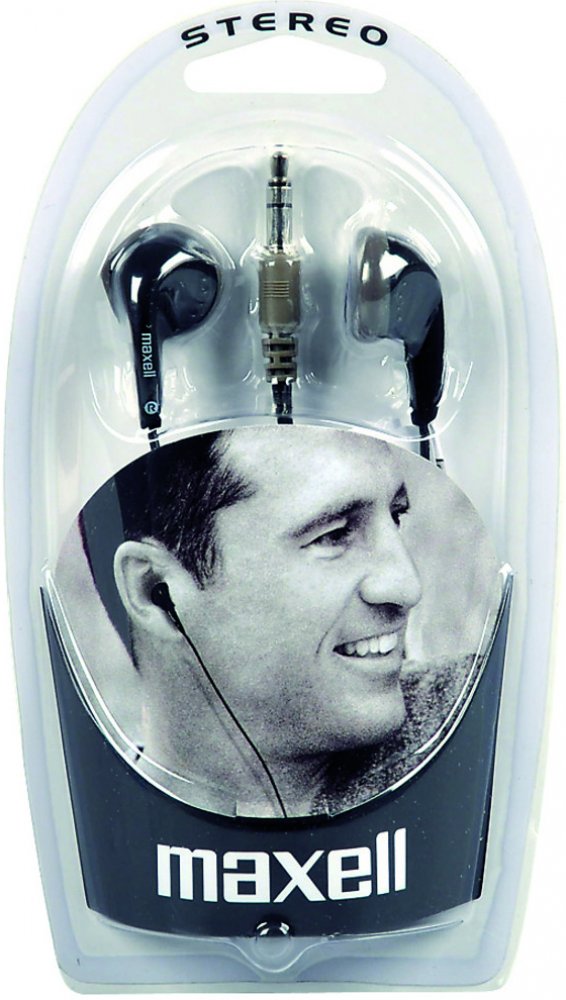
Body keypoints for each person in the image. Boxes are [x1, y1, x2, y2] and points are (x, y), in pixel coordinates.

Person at [76, 425, 487, 818]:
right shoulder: (80, 827)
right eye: (333, 535)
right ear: (155, 591)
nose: (406, 586)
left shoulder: (484, 723)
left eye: (395, 516)